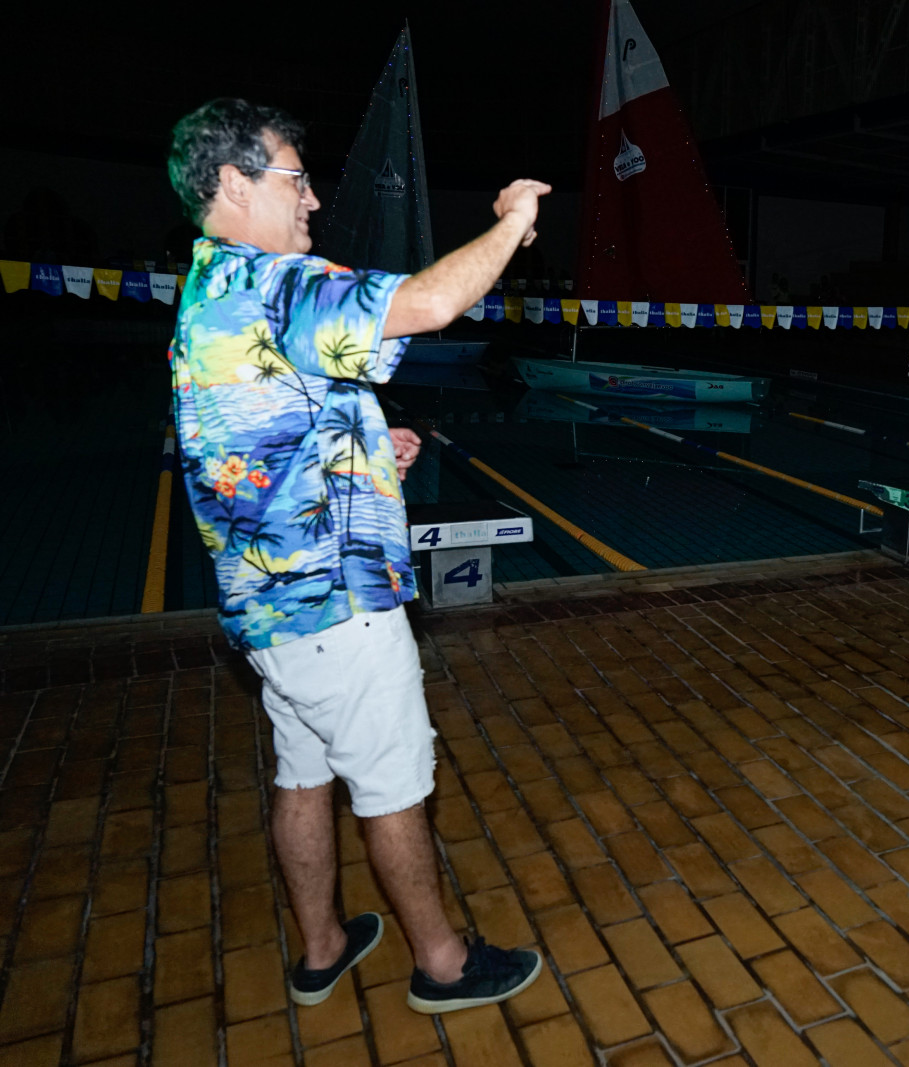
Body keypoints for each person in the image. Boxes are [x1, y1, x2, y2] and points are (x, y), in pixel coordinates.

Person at [166, 98, 552, 1014]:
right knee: (392, 788)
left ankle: (323, 948)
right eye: (296, 179)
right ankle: (444, 965)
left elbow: (263, 423)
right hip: (339, 609)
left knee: (303, 775)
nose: (312, 199)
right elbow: (430, 303)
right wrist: (513, 224)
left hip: (268, 609)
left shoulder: (209, 290)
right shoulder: (280, 284)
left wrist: (372, 446)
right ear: (235, 182)